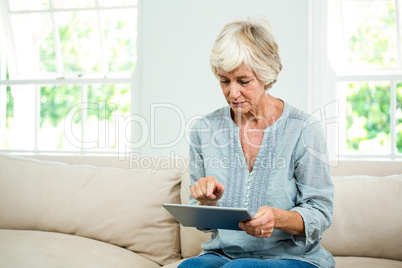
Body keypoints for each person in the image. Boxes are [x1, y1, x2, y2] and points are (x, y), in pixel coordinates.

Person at [179, 17, 335, 268]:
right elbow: (203, 223)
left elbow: (321, 212)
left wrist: (278, 217)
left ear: (266, 75)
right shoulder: (204, 130)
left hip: (292, 257)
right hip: (224, 253)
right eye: (224, 80)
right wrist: (207, 203)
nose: (232, 92)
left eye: (243, 81)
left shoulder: (303, 129)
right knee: (190, 267)